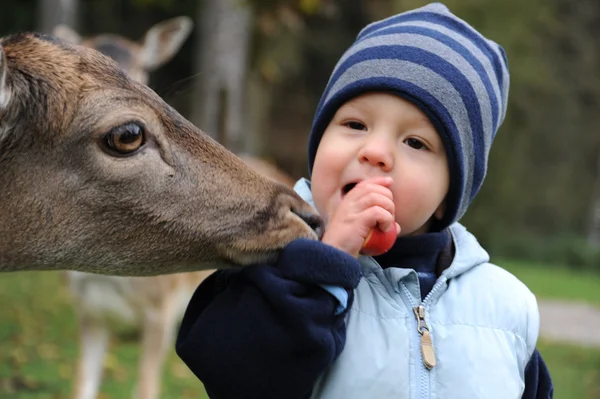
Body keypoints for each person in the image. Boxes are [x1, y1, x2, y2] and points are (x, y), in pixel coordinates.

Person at [175, 3, 554, 398]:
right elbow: (235, 379)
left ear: (449, 195)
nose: (375, 151)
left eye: (415, 142)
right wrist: (325, 265)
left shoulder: (505, 308)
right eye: (355, 124)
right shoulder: (274, 259)